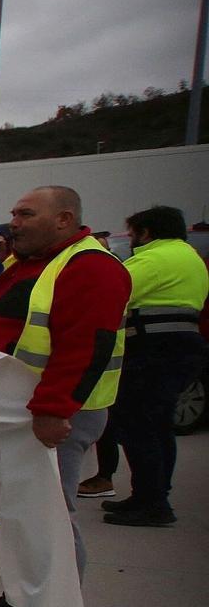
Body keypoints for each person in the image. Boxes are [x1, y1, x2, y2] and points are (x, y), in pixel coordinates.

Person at [0, 185, 130, 607]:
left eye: (25, 214)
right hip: (15, 410)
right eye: (14, 213)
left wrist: (53, 409)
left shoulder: (89, 267)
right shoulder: (22, 263)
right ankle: (23, 598)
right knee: (18, 513)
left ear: (64, 220)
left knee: (48, 516)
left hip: (52, 414)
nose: (13, 222)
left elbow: (87, 344)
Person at [98, 205, 208, 527]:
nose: (131, 241)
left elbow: (113, 291)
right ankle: (151, 494)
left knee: (138, 424)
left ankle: (152, 502)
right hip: (182, 348)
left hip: (152, 350)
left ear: (146, 233)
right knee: (159, 426)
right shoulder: (189, 257)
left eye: (133, 235)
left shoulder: (153, 259)